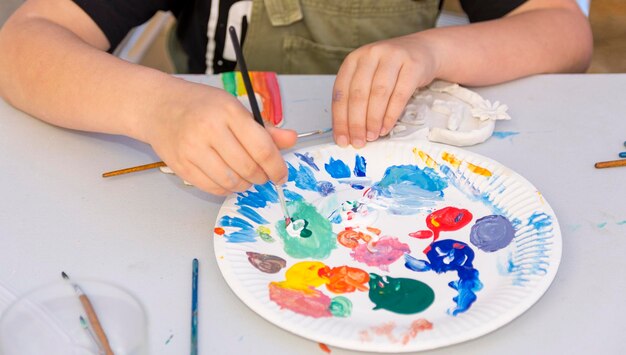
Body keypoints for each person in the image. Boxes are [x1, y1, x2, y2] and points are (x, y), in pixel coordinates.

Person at [0, 0, 592, 196]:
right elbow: (21, 43)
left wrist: (433, 52)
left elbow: (563, 29)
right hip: (203, 169)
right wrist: (156, 107)